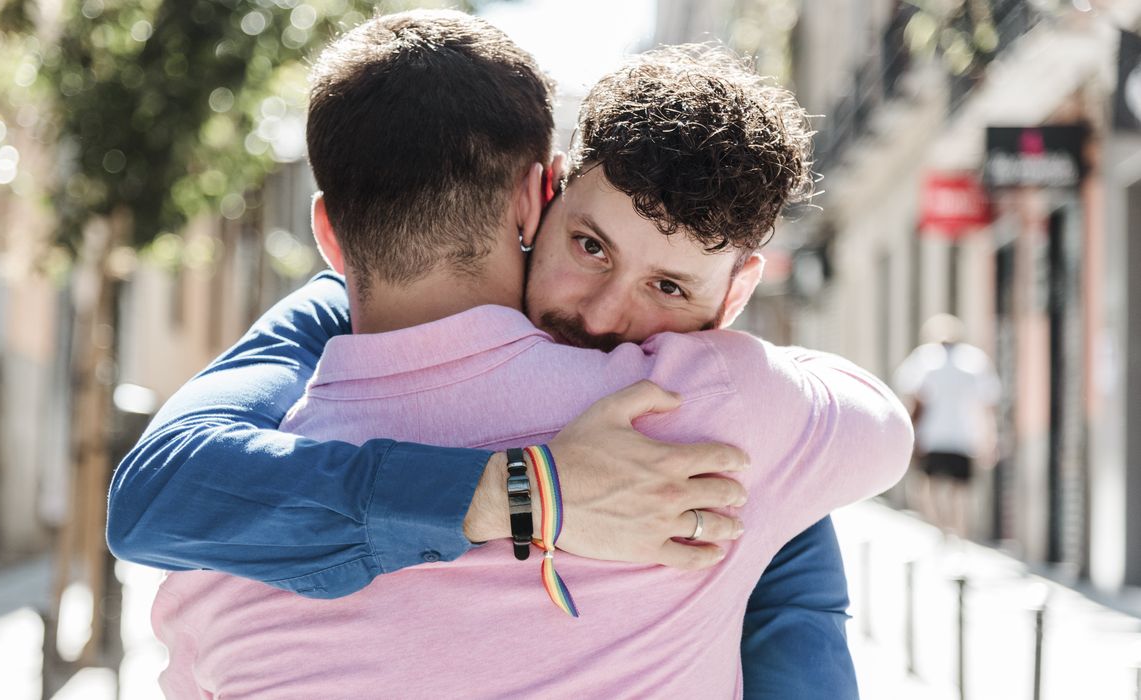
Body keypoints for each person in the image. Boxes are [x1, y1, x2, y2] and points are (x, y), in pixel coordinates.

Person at [146, 12, 913, 697]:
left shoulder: (209, 566)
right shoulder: (724, 412)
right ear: (538, 197)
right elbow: (879, 432)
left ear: (329, 236)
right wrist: (528, 493)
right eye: (589, 247)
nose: (603, 317)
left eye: (669, 289)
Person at [894, 313, 1000, 538]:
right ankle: (958, 537)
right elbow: (986, 405)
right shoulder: (974, 360)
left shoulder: (925, 358)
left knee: (928, 488)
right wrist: (989, 439)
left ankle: (940, 530)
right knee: (961, 493)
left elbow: (911, 397)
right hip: (964, 438)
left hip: (932, 436)